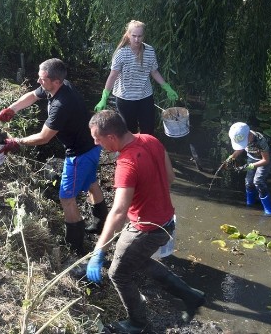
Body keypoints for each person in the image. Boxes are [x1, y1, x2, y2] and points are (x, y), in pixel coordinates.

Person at [85, 110, 204, 333]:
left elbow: (119, 211)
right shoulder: (150, 139)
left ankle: (138, 324)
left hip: (146, 228)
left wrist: (98, 251)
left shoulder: (126, 164)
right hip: (167, 219)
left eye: (97, 138)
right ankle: (190, 296)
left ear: (111, 137)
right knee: (135, 259)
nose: (95, 143)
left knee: (118, 274)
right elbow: (170, 178)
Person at [0, 58, 107, 256]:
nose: (38, 82)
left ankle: (76, 247)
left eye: (42, 79)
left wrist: (17, 142)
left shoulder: (61, 104)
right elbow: (32, 95)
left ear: (56, 81)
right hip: (92, 145)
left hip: (79, 154)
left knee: (66, 198)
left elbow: (43, 137)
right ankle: (100, 225)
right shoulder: (57, 86)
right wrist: (12, 109)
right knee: (91, 182)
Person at [94, 20, 178, 135]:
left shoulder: (149, 51)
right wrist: (104, 97)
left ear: (144, 36)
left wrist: (167, 87)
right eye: (134, 36)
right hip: (125, 99)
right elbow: (113, 76)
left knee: (148, 131)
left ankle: (146, 152)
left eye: (140, 36)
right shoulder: (121, 53)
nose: (137, 39)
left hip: (145, 96)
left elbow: (154, 72)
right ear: (128, 35)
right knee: (130, 132)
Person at [224, 122, 271, 215]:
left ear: (250, 135)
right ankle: (250, 202)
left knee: (258, 181)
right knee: (248, 181)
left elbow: (266, 160)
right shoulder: (242, 136)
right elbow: (240, 148)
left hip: (264, 159)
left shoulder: (261, 141)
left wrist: (250, 166)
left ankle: (268, 209)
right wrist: (231, 157)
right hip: (252, 157)